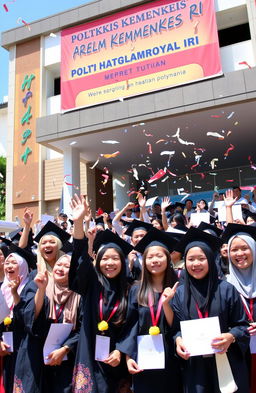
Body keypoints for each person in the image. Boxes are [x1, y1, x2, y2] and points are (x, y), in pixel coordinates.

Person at [172, 227, 250, 393]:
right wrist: (178, 341)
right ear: (185, 263)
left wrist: (230, 336)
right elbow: (175, 329)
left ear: (210, 259)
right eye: (191, 259)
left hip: (226, 361)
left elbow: (242, 326)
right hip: (195, 367)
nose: (196, 264)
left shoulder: (226, 289)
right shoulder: (179, 294)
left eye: (201, 258)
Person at [69, 194, 133, 393]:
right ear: (98, 261)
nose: (110, 263)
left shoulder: (130, 289)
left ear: (122, 262)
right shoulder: (91, 283)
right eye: (105, 258)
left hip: (116, 360)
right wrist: (78, 222)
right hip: (89, 353)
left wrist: (121, 350)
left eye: (115, 258)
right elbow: (80, 256)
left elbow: (133, 324)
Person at [117, 228, 182, 393]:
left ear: (168, 259)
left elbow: (176, 326)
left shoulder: (178, 288)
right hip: (144, 357)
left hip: (172, 356)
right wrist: (128, 356)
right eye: (150, 257)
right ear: (144, 261)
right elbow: (130, 325)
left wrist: (167, 303)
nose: (155, 260)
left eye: (159, 256)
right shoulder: (136, 290)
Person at [13, 253, 82, 393]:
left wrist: (65, 349)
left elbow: (83, 328)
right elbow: (31, 318)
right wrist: (42, 289)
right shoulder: (39, 284)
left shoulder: (79, 295)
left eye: (67, 266)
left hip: (65, 359)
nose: (61, 268)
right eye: (59, 264)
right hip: (36, 354)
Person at [224, 223, 256, 393]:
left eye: (244, 248)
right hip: (238, 356)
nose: (239, 254)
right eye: (234, 250)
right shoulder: (224, 285)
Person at [0, 251, 30, 393]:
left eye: (14, 263)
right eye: (7, 263)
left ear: (22, 267)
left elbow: (27, 319)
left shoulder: (29, 289)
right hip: (3, 346)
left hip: (22, 344)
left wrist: (15, 293)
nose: (9, 266)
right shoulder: (1, 289)